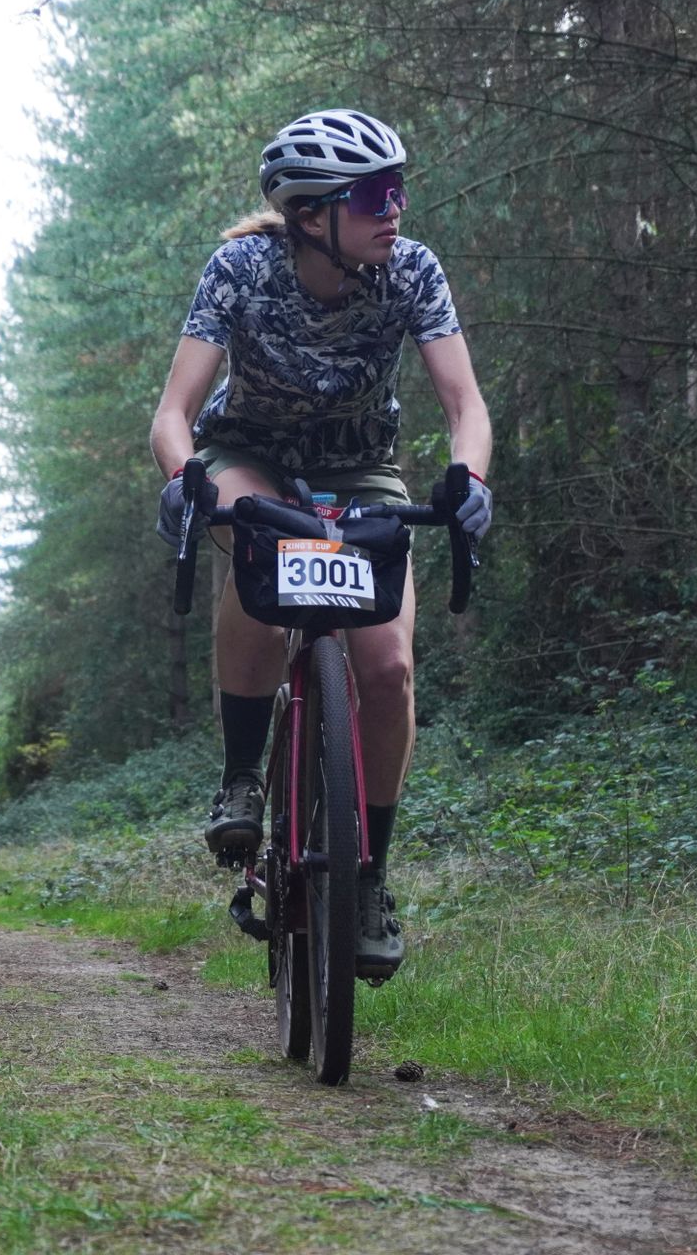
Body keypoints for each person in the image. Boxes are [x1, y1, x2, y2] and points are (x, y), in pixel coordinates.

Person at [150, 108, 494, 981]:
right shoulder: (241, 269)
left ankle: (369, 873)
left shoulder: (411, 271)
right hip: (250, 457)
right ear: (311, 215)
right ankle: (240, 777)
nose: (396, 209)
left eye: (398, 188)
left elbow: (465, 407)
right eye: (375, 194)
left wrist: (470, 481)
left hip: (360, 468)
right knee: (259, 553)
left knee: (388, 669)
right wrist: (185, 480)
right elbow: (173, 417)